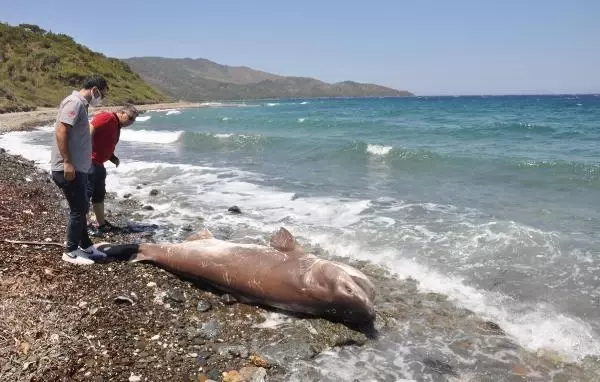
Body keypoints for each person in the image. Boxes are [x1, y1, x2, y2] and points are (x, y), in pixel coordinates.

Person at [50, 75, 109, 265]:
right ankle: (70, 251)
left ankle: (85, 245)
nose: (101, 98)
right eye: (102, 94)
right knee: (78, 209)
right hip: (69, 168)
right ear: (94, 90)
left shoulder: (81, 105)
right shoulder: (74, 103)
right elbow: (62, 130)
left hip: (78, 168)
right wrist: (67, 162)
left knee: (82, 207)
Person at [87, 104, 139, 232]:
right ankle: (84, 225)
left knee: (99, 195)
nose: (131, 122)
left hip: (98, 164)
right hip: (89, 162)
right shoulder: (107, 117)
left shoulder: (116, 125)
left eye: (133, 120)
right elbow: (90, 129)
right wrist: (84, 152)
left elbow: (105, 142)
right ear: (122, 113)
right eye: (130, 118)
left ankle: (101, 224)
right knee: (86, 195)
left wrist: (112, 157)